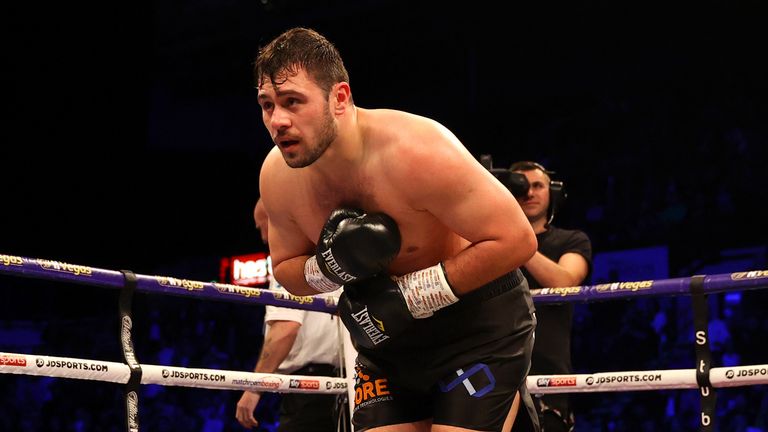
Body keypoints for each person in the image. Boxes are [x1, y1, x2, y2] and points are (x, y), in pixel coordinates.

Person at [255, 27, 540, 432]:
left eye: (292, 102)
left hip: (476, 331)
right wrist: (331, 266)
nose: (277, 120)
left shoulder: (417, 150)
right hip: (385, 344)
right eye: (267, 105)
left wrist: (413, 297)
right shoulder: (277, 176)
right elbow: (285, 267)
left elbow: (517, 239)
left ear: (339, 98)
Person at [235, 198, 344, 431]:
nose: (262, 237)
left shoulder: (288, 265)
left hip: (309, 387)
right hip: (341, 382)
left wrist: (254, 388)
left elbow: (286, 329)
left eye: (260, 226)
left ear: (274, 222)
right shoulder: (329, 256)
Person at [508, 161, 592, 432]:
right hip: (496, 367)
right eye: (520, 186)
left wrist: (518, 242)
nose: (529, 193)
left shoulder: (572, 240)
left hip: (548, 371)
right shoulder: (487, 242)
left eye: (537, 185)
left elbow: (564, 282)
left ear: (553, 192)